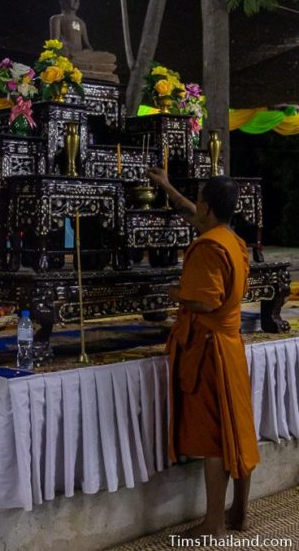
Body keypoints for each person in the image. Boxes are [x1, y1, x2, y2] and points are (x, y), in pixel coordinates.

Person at [147, 168, 260, 540]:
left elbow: (203, 299)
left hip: (210, 350)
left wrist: (172, 294)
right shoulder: (230, 239)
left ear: (207, 207)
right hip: (231, 346)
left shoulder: (209, 247)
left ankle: (214, 523)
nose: (194, 208)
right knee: (238, 429)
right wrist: (165, 186)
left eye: (198, 202)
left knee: (216, 436)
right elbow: (194, 215)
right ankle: (239, 512)